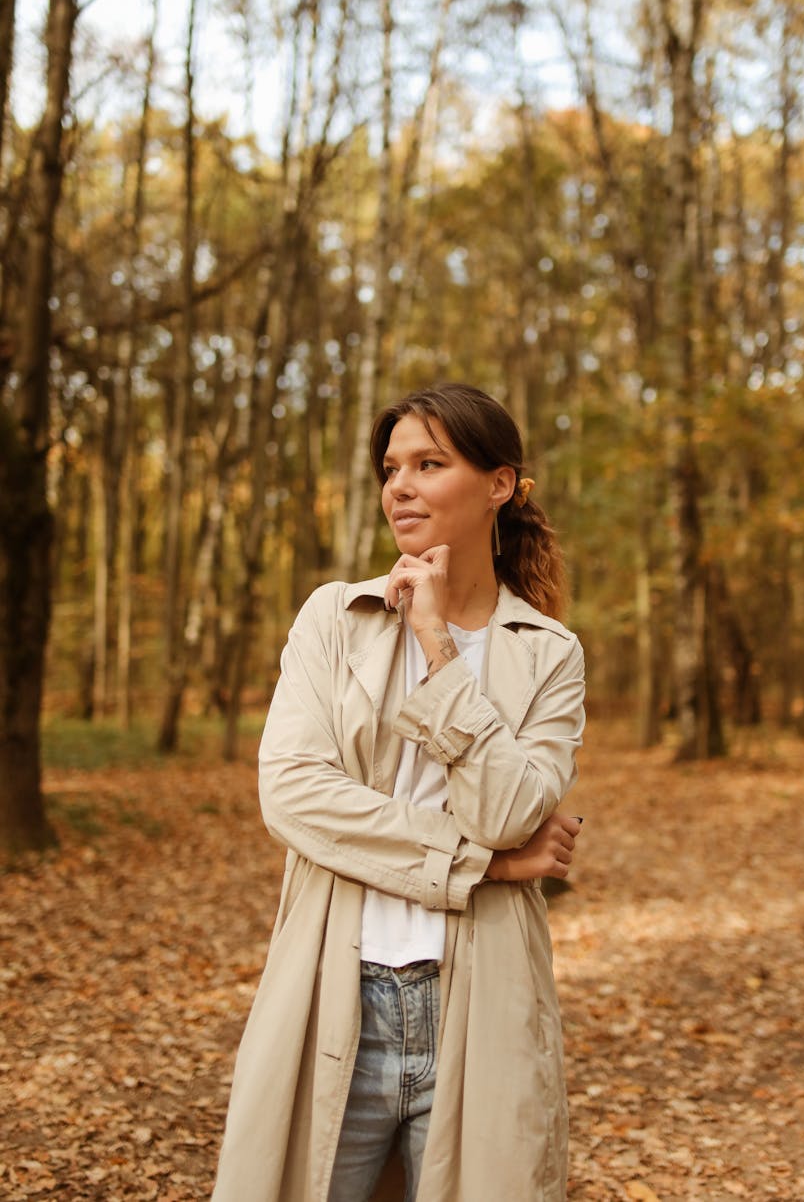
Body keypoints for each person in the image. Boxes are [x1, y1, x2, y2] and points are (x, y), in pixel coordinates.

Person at [211, 382, 586, 1202]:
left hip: (480, 999)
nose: (399, 486)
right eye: (390, 468)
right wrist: (483, 867)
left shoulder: (548, 654)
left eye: (428, 463)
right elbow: (295, 796)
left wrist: (438, 649)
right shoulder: (333, 621)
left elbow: (509, 812)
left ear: (498, 484)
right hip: (335, 987)